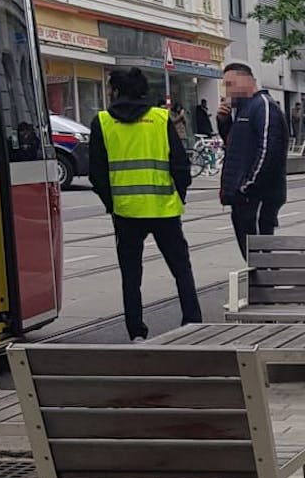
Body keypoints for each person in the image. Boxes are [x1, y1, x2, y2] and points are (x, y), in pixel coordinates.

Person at [87, 67, 199, 341]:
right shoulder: (161, 119)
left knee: (131, 276)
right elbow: (181, 166)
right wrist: (178, 195)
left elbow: (96, 174)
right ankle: (193, 322)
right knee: (181, 270)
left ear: (115, 90)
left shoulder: (102, 122)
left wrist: (112, 205)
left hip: (126, 213)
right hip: (164, 210)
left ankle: (136, 331)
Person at [220, 62, 289, 259]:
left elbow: (269, 151)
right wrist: (224, 123)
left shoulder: (263, 106)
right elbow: (235, 147)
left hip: (257, 197)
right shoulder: (243, 110)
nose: (227, 90)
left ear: (247, 81)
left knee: (260, 254)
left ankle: (267, 288)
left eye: (230, 84)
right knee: (252, 256)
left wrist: (248, 186)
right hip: (244, 198)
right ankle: (261, 287)